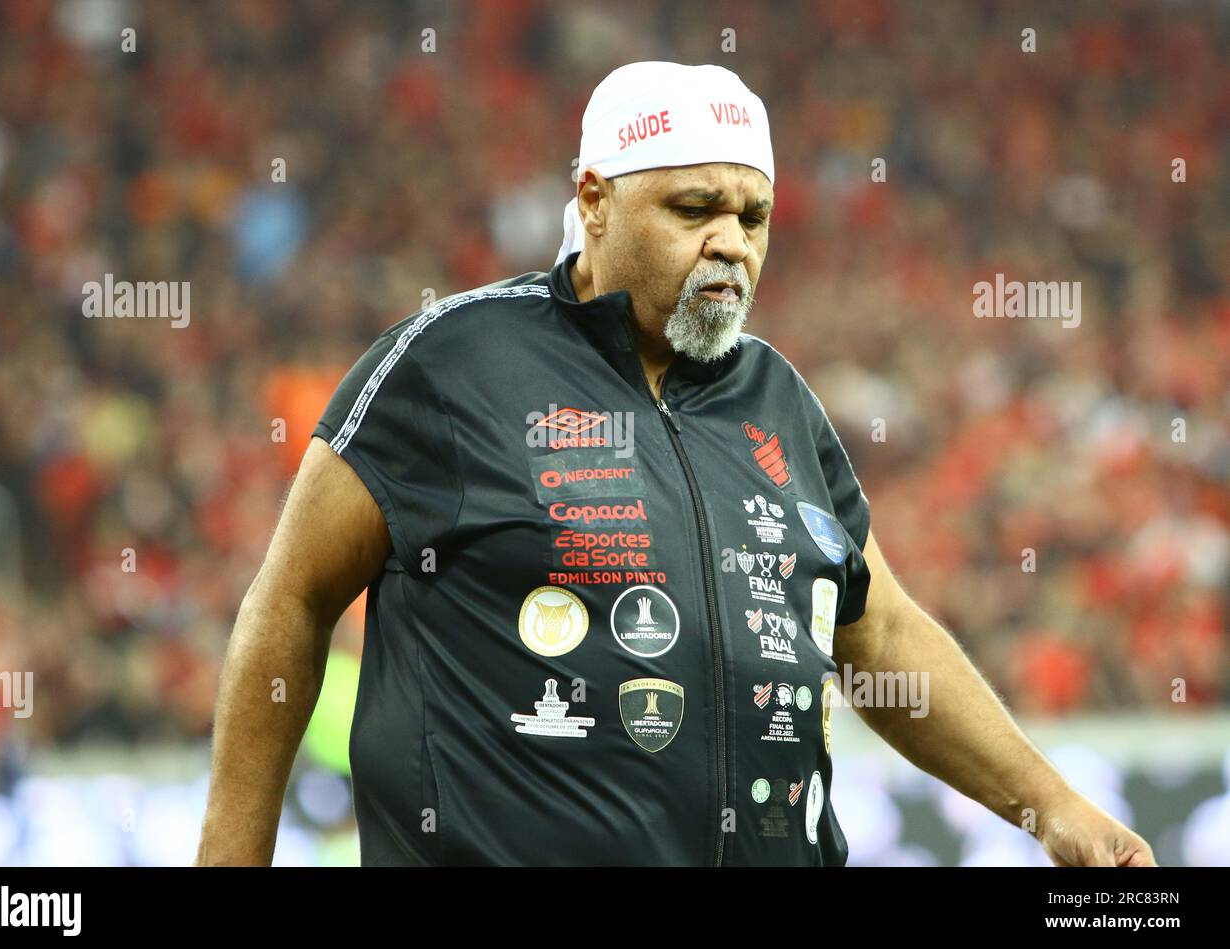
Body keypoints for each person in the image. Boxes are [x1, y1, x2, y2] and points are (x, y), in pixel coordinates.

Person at [196, 61, 1155, 866]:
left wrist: (1052, 809)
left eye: (755, 216)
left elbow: (881, 636)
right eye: (695, 208)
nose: (731, 244)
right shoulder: (449, 366)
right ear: (594, 200)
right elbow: (291, 599)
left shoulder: (777, 398)